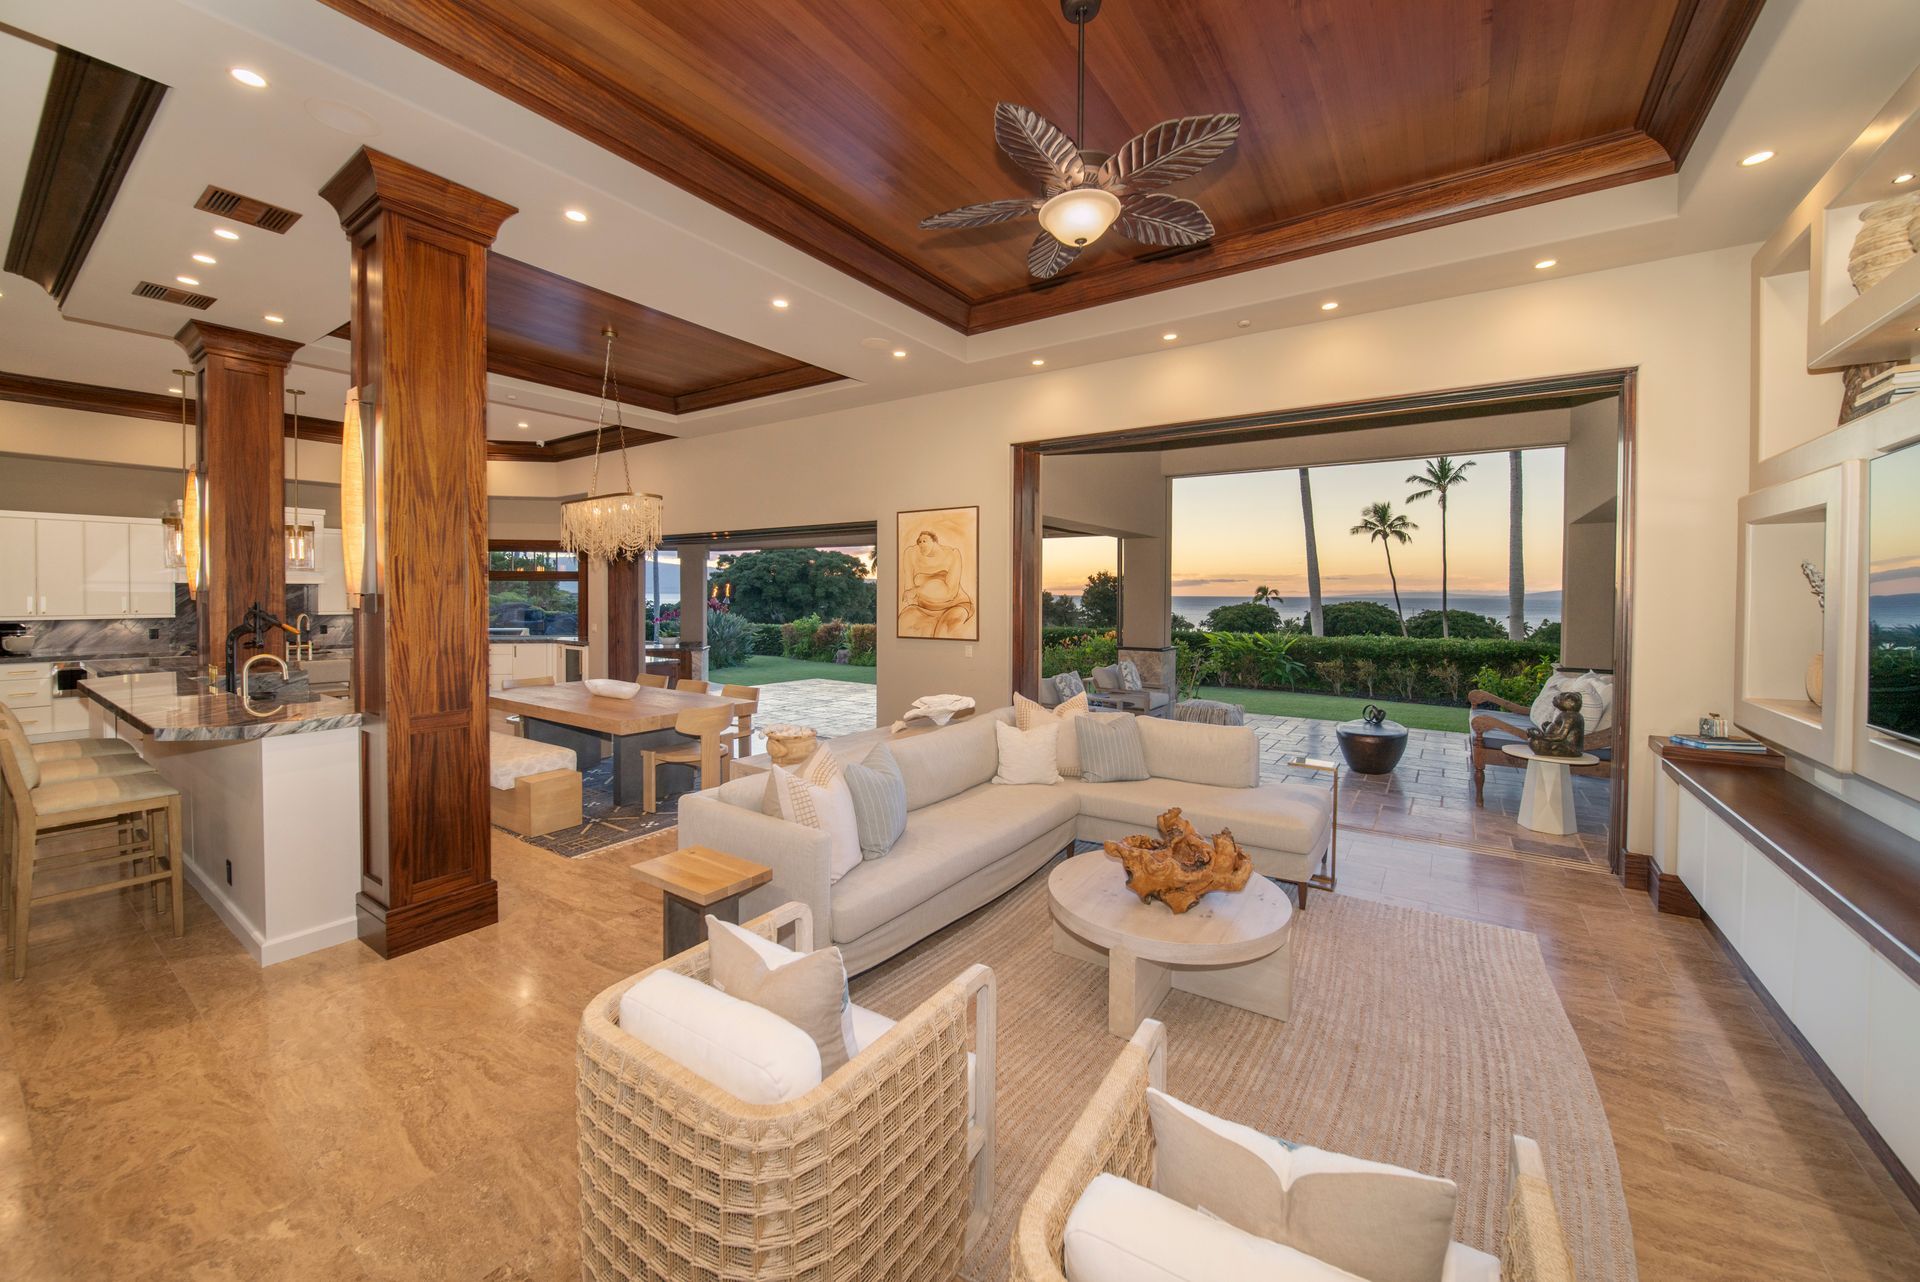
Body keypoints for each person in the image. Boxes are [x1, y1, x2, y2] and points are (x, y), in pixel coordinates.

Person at [899, 528, 975, 638]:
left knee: (942, 632)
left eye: (924, 541)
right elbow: (909, 592)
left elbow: (950, 593)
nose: (921, 544)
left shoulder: (952, 554)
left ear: (934, 541)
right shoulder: (910, 554)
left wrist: (917, 591)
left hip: (954, 605)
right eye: (919, 542)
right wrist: (916, 594)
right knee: (904, 620)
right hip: (924, 608)